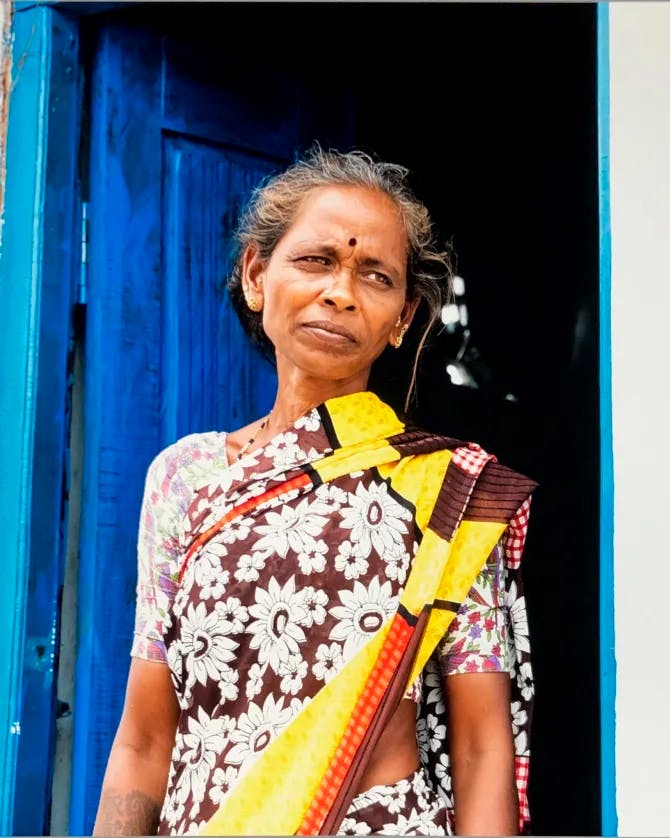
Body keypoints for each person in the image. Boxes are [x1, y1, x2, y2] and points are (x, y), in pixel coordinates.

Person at [93, 146, 537, 837]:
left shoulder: (445, 488)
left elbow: (481, 746)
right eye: (315, 260)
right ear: (255, 274)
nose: (340, 291)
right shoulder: (186, 477)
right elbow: (146, 737)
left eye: (375, 275)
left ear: (400, 319)